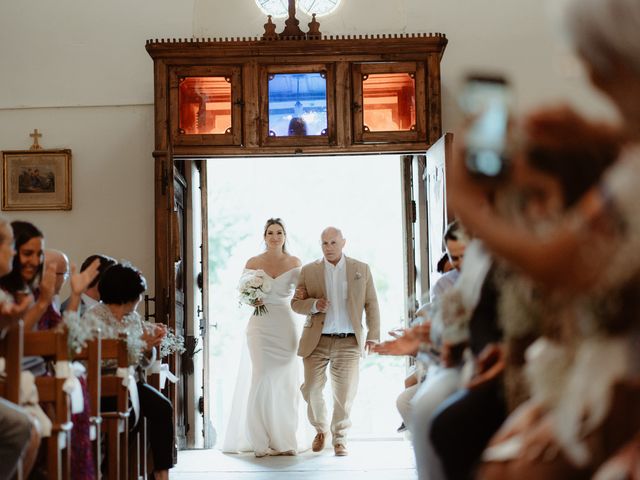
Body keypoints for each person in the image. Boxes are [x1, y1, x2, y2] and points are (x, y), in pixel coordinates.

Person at [292, 226, 380, 456]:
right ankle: (321, 430)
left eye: (333, 242)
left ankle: (340, 438)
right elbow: (295, 303)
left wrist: (373, 335)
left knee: (344, 393)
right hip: (316, 340)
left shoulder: (361, 269)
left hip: (349, 341)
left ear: (343, 243)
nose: (328, 247)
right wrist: (313, 305)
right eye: (324, 243)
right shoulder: (308, 270)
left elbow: (371, 304)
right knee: (311, 388)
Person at [223, 218, 303, 457]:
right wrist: (252, 298)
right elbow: (242, 293)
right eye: (270, 233)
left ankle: (284, 439)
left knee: (284, 382)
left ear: (285, 236)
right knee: (262, 377)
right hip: (260, 326)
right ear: (264, 236)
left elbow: (303, 294)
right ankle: (259, 440)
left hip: (285, 324)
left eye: (279, 232)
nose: (275, 236)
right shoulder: (253, 262)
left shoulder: (295, 262)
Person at [85, 263, 173, 480]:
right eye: (139, 295)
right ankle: (112, 471)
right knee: (130, 412)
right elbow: (98, 361)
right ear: (128, 295)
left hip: (133, 382)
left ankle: (161, 472)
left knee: (163, 407)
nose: (140, 299)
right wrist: (140, 345)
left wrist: (150, 347)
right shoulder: (94, 317)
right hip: (103, 385)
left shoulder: (133, 318)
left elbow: (141, 363)